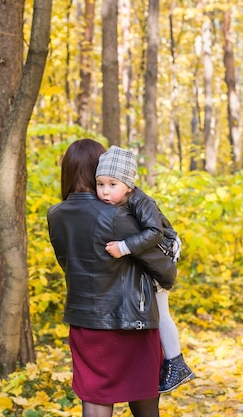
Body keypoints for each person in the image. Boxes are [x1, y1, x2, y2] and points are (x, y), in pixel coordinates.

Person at [47, 139, 177, 417]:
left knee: (95, 399)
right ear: (99, 169)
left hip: (84, 323)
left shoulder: (56, 215)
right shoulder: (117, 215)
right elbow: (163, 268)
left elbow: (66, 263)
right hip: (131, 323)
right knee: (143, 402)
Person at [95, 145, 195, 394]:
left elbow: (155, 233)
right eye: (100, 184)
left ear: (128, 185)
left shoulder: (141, 201)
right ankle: (171, 361)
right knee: (157, 310)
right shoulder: (124, 201)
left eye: (112, 184)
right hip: (150, 255)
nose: (105, 191)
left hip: (163, 252)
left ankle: (176, 361)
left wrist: (125, 247)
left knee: (161, 311)